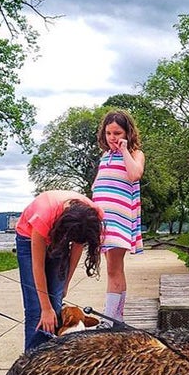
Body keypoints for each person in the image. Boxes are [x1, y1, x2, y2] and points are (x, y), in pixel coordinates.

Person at [15, 190, 104, 350]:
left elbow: (77, 246)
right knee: (38, 311)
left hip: (60, 236)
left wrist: (65, 283)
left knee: (56, 307)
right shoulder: (44, 215)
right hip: (29, 238)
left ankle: (54, 360)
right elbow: (38, 266)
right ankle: (31, 364)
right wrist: (45, 308)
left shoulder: (91, 216)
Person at [92, 109, 145, 323]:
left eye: (117, 133)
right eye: (109, 133)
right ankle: (117, 318)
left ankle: (109, 318)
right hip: (103, 220)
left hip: (119, 221)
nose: (113, 138)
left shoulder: (135, 154)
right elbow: (97, 184)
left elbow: (134, 175)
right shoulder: (105, 157)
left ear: (127, 133)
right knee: (115, 269)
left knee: (113, 269)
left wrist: (124, 150)